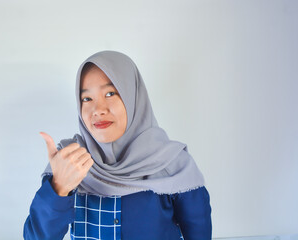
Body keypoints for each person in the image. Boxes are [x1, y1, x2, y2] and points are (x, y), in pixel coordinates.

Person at [23, 50, 212, 240]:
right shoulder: (70, 161)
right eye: (87, 98)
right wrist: (58, 188)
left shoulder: (173, 163)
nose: (98, 110)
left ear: (134, 97)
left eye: (111, 93)